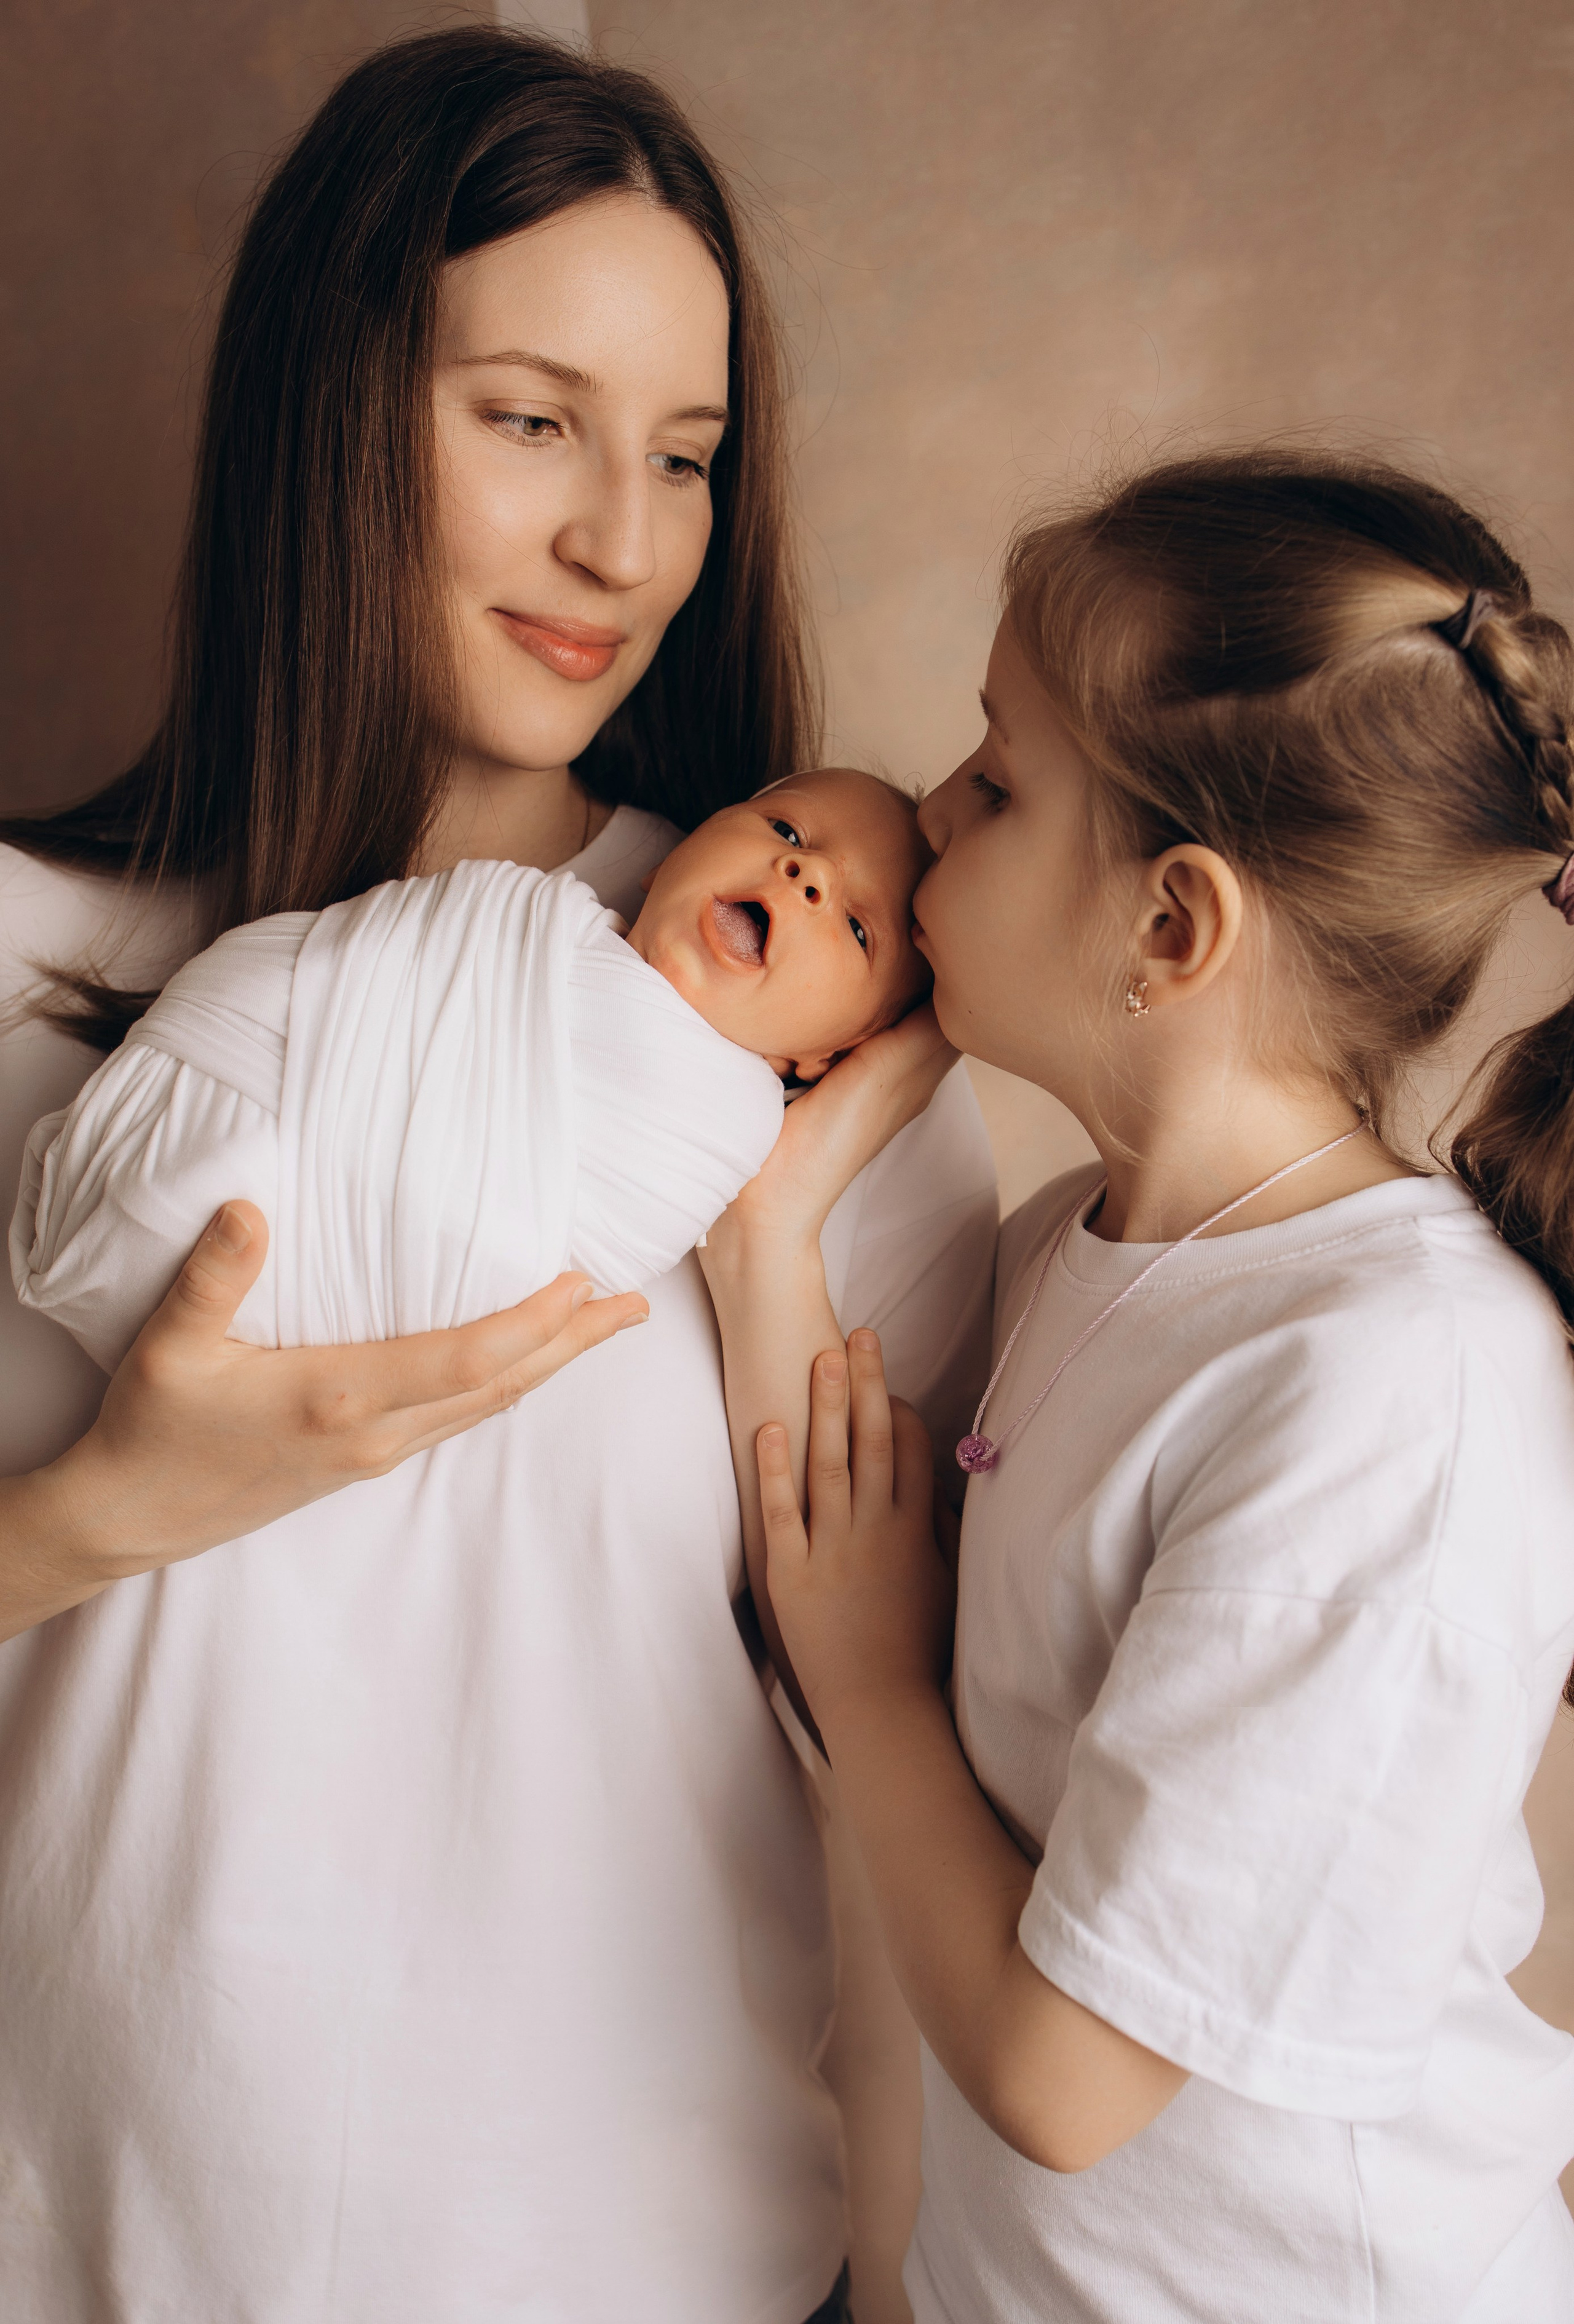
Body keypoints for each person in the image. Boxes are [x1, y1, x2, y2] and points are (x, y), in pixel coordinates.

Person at [0, 28, 996, 2323]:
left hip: (640, 2262)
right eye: (529, 420)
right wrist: (109, 1504)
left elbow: (932, 1762)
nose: (624, 546)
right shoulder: (39, 960)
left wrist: (762, 1242)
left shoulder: (823, 1046)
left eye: (686, 456)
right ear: (330, 409)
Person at [705, 449, 1574, 2322]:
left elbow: (1065, 2082)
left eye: (1001, 780)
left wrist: (868, 1669)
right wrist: (774, 1226)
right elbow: (822, 1569)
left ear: (1173, 928)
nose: (928, 811)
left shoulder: (1392, 1386)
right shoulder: (1070, 1249)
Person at [14, 768, 929, 1366]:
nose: (806, 878)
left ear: (824, 1056)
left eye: (855, 928)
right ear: (667, 863)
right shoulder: (521, 924)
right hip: (190, 1084)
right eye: (787, 828)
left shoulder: (724, 1119)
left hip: (299, 1257)